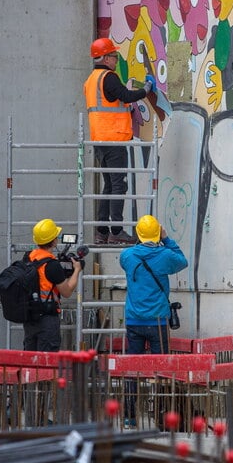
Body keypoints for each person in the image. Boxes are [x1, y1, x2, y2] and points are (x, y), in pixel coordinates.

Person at [84, 38, 156, 245]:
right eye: (114, 57)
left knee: (108, 186)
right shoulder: (109, 77)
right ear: (105, 58)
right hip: (114, 138)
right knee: (118, 186)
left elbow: (112, 102)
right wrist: (147, 89)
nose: (116, 60)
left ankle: (102, 232)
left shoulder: (91, 80)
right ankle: (116, 230)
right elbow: (126, 95)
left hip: (100, 139)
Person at [119, 215, 188, 354]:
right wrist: (166, 239)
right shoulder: (165, 255)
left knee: (136, 366)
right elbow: (183, 261)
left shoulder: (127, 255)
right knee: (160, 366)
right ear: (158, 232)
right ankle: (159, 377)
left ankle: (136, 376)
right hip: (158, 319)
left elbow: (129, 260)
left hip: (134, 319)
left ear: (138, 233)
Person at [23, 218, 82, 352]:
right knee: (46, 362)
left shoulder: (28, 258)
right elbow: (66, 292)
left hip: (30, 317)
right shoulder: (52, 265)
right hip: (47, 318)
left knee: (29, 359)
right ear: (54, 241)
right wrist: (77, 270)